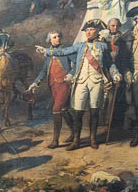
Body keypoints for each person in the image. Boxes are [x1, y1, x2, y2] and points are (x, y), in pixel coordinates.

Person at [41, 19, 117, 150]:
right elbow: (63, 51)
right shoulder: (80, 46)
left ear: (97, 31)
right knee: (78, 113)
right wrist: (47, 51)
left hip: (97, 81)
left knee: (94, 112)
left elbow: (109, 63)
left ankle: (93, 139)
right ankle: (76, 140)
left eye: (91, 29)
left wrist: (115, 73)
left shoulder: (103, 46)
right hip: (81, 81)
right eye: (86, 30)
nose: (88, 32)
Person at [29, 31, 77, 149]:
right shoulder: (48, 54)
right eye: (54, 37)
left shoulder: (67, 50)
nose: (58, 39)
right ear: (49, 40)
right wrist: (36, 83)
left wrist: (71, 74)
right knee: (64, 109)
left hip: (64, 83)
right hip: (52, 85)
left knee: (56, 109)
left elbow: (77, 64)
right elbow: (44, 71)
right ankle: (75, 133)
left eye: (59, 36)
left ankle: (55, 140)